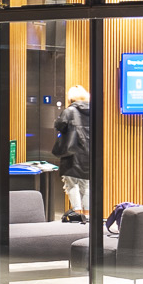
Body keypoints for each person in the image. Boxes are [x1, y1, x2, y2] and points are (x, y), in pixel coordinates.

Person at [50, 83, 92, 216]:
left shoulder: (69, 111)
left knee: (72, 184)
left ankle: (77, 214)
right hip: (88, 154)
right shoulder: (93, 111)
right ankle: (87, 215)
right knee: (86, 185)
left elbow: (59, 125)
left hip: (71, 154)